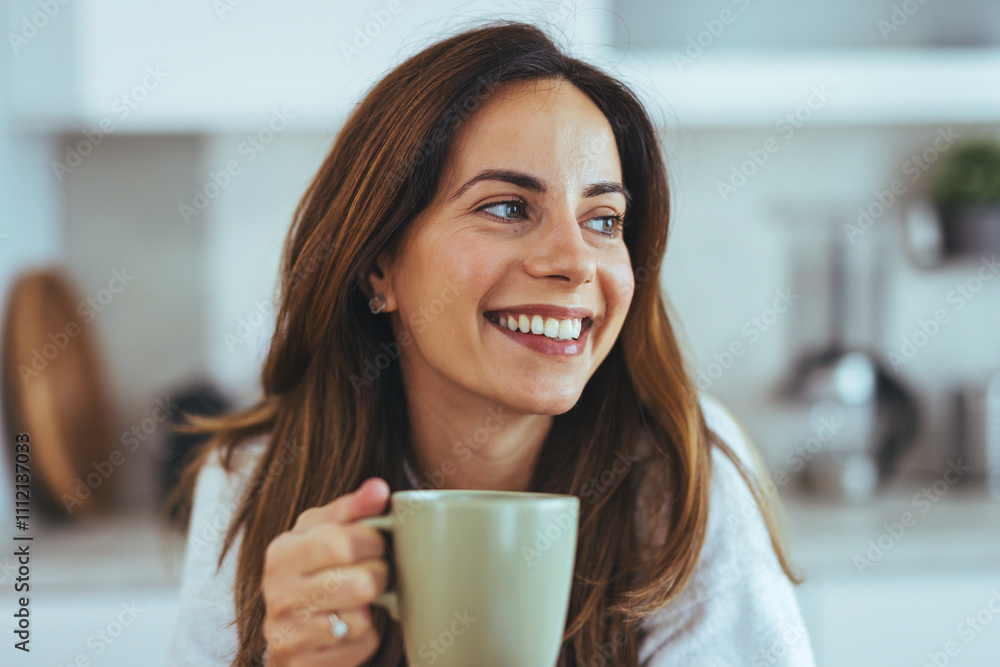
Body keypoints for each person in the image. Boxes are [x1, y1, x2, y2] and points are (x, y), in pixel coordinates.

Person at [168, 20, 816, 667]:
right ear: (378, 265)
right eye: (507, 207)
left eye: (603, 219)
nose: (576, 262)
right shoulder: (251, 478)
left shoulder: (679, 472)